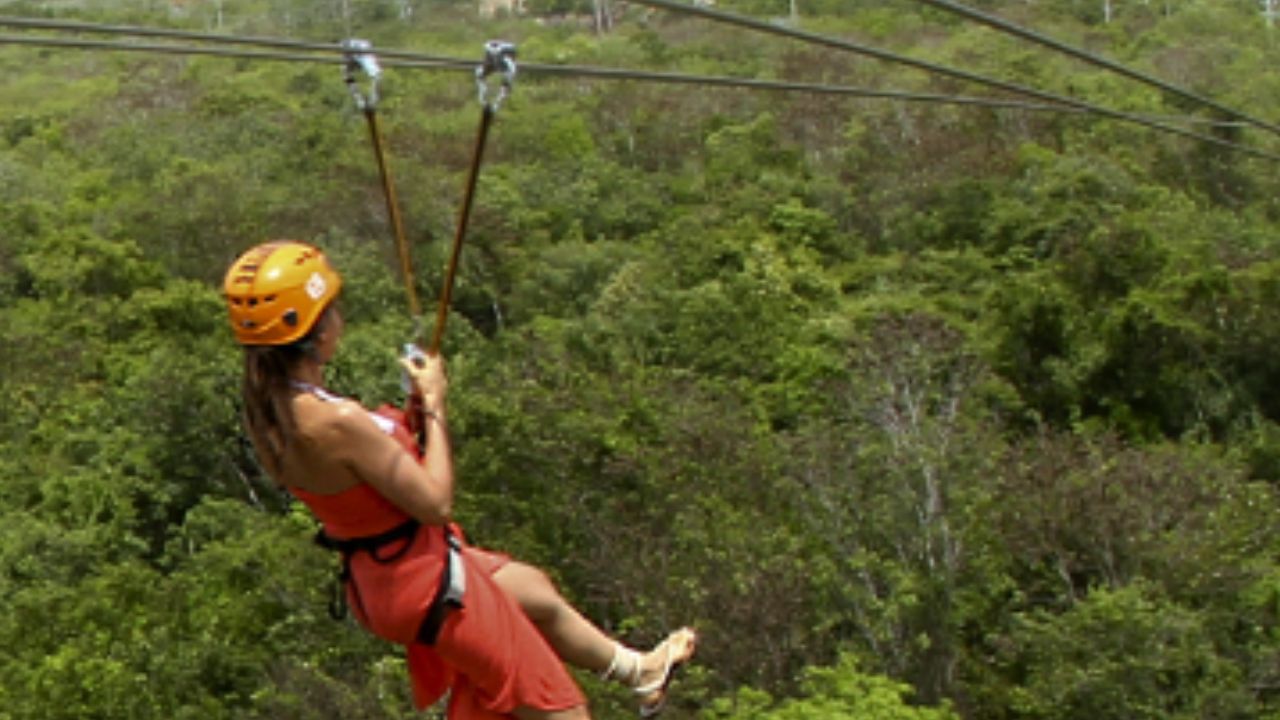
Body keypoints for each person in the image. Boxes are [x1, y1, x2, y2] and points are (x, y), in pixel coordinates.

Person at [222, 240, 696, 720]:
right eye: (333, 310)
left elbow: (367, 471)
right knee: (561, 710)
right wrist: (435, 404)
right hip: (424, 580)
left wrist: (412, 414)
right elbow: (435, 502)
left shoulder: (271, 411)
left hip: (383, 576)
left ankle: (639, 671)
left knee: (532, 591)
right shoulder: (336, 420)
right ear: (316, 331)